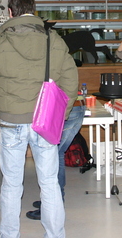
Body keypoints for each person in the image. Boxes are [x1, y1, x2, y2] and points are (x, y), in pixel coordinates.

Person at [0, 0, 78, 238]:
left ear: (10, 12)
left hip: (11, 120)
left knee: (12, 184)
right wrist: (59, 113)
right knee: (49, 183)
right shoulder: (52, 39)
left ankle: (9, 235)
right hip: (44, 121)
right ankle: (55, 235)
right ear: (33, 10)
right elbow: (70, 79)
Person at [25, 84, 86, 221]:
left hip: (63, 106)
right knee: (56, 154)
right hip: (74, 104)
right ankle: (52, 201)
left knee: (54, 155)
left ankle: (53, 205)